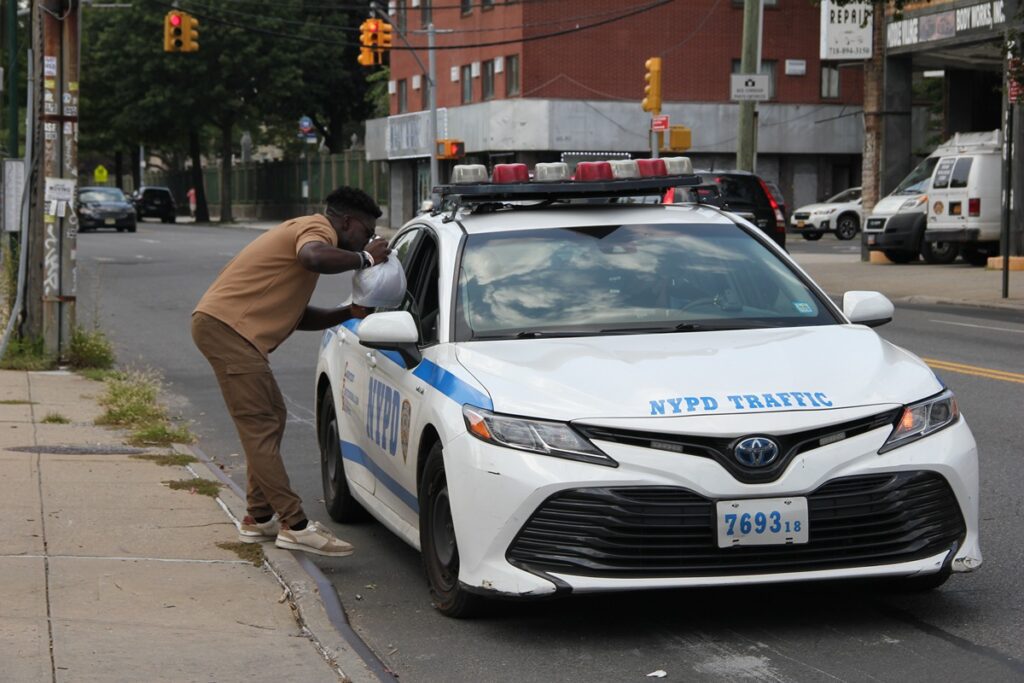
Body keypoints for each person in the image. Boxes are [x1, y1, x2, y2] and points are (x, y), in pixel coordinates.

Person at [191, 186, 389, 557]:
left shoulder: (309, 231)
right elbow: (313, 256)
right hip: (228, 330)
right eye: (367, 232)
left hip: (227, 327)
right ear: (347, 222)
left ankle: (258, 516)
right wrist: (364, 258)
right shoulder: (318, 231)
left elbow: (296, 315)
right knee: (261, 423)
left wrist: (349, 313)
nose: (371, 239)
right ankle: (294, 524)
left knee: (270, 419)